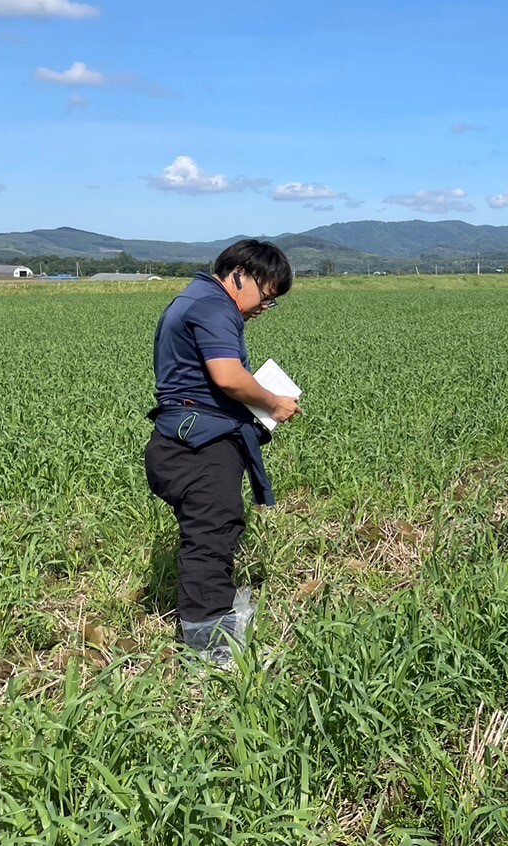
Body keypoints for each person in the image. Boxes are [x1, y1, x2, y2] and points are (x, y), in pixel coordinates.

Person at [144, 239, 300, 664]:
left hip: (181, 439)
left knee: (211, 531)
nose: (263, 308)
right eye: (265, 297)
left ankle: (215, 626)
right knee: (210, 538)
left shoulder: (195, 299)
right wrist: (273, 402)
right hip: (198, 445)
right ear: (238, 275)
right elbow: (229, 377)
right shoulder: (214, 307)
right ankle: (211, 652)